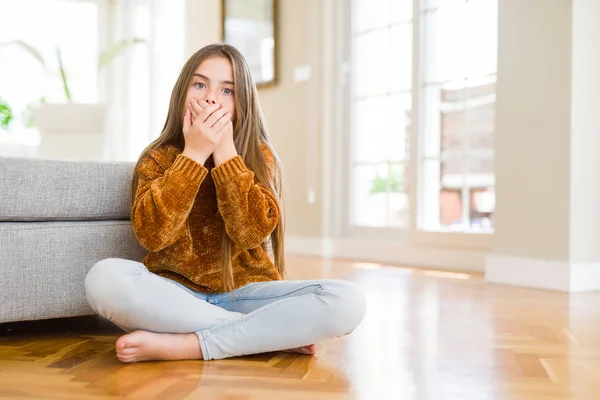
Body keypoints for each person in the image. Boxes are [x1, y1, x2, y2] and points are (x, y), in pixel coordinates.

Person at [84, 43, 366, 363]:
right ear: (182, 92)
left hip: (247, 293)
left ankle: (190, 345)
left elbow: (249, 234)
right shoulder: (158, 158)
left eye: (227, 90)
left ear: (241, 102)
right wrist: (193, 155)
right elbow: (153, 235)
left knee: (347, 301)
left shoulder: (259, 157)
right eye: (200, 84)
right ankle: (263, 336)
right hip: (177, 297)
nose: (211, 98)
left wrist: (225, 154)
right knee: (103, 278)